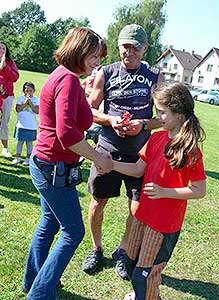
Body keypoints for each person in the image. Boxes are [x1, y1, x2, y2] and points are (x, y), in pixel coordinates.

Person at [22, 27, 112, 300]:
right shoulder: (68, 80)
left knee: (49, 221)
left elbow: (71, 123)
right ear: (79, 50)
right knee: (73, 231)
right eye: (94, 55)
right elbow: (67, 134)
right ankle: (39, 293)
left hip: (45, 164)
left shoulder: (64, 77)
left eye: (100, 57)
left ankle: (33, 282)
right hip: (52, 167)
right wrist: (97, 156)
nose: (98, 62)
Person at [112, 82, 206, 300]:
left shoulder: (189, 150)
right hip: (143, 216)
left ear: (180, 114)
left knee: (145, 274)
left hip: (163, 224)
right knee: (133, 261)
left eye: (162, 112)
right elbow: (137, 169)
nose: (158, 117)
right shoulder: (156, 138)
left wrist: (165, 191)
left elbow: (199, 190)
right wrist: (112, 164)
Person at [82, 24, 162, 278]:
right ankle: (96, 249)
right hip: (107, 149)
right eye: (125, 47)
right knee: (97, 202)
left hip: (141, 153)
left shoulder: (154, 75)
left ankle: (124, 252)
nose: (129, 52)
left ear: (145, 48)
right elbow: (89, 111)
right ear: (119, 46)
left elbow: (164, 118)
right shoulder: (105, 72)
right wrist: (110, 120)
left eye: (135, 47)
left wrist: (143, 124)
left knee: (136, 209)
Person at [12, 82, 39, 166]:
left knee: (29, 143)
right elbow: (18, 109)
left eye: (30, 91)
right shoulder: (20, 98)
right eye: (26, 90)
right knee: (19, 142)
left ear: (33, 91)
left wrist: (30, 103)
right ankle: (17, 158)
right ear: (23, 91)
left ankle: (28, 159)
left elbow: (37, 111)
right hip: (21, 125)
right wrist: (25, 103)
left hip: (31, 126)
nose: (28, 93)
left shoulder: (36, 100)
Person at [0, 41, 19, 157]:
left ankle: (5, 148)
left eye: (3, 48)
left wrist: (5, 67)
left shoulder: (10, 62)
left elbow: (15, 77)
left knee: (4, 123)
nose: (1, 50)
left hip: (7, 96)